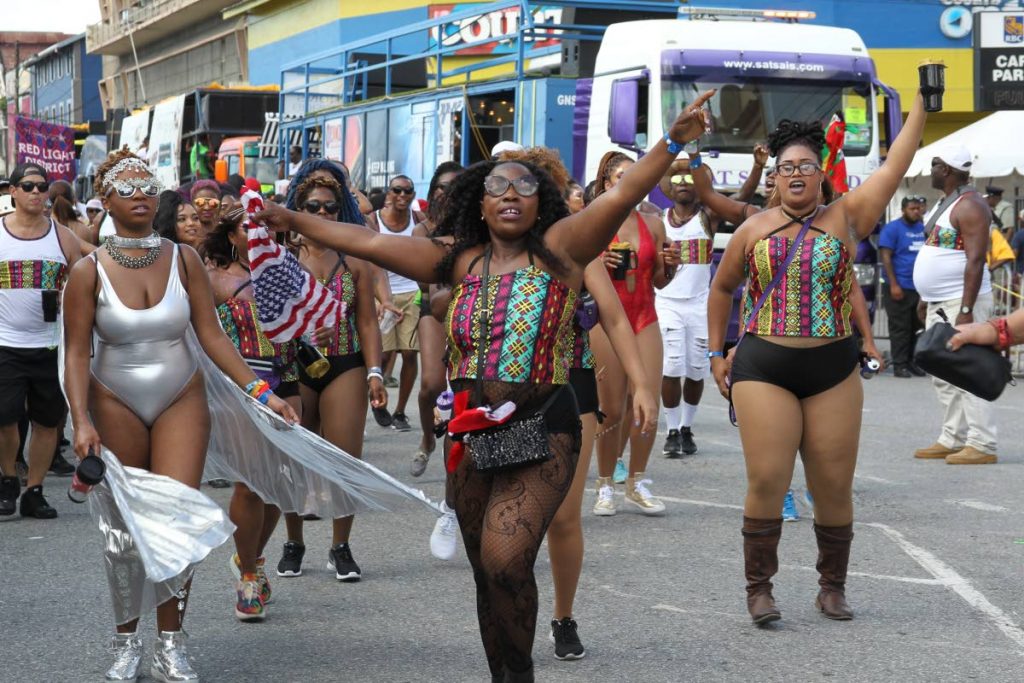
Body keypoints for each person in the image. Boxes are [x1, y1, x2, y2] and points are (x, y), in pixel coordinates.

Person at [252, 91, 712, 681]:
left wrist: (673, 142)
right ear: (480, 204)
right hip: (469, 434)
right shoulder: (457, 260)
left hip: (544, 425)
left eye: (524, 186)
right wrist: (292, 220)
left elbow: (623, 192)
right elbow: (366, 242)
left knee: (505, 558)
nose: (512, 195)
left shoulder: (564, 252)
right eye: (498, 187)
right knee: (488, 573)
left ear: (542, 201)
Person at [62, 149, 297, 680]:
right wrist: (81, 420)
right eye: (127, 187)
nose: (141, 193)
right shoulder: (86, 271)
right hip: (113, 400)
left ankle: (171, 643)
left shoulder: (184, 259)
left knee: (177, 521)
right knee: (124, 529)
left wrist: (261, 393)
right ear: (105, 201)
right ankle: (127, 643)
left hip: (180, 399)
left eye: (148, 185)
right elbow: (77, 352)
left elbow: (211, 336)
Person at [708, 89, 927, 626]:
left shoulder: (848, 217)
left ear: (821, 173)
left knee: (833, 485)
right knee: (768, 478)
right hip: (764, 367)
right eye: (787, 167)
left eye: (808, 165)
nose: (798, 174)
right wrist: (717, 352)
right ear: (773, 178)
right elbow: (722, 290)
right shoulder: (753, 228)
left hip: (832, 369)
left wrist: (923, 102)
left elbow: (897, 163)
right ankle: (759, 589)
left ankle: (833, 587)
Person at [277, 175, 388, 582]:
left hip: (345, 362)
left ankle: (340, 547)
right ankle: (294, 542)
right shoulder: (281, 257)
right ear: (297, 209)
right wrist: (301, 330)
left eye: (330, 207)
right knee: (292, 457)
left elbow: (367, 323)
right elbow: (267, 319)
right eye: (313, 207)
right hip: (294, 364)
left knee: (345, 458)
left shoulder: (354, 257)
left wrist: (375, 371)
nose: (322, 213)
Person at [203, 208, 305, 621]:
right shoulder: (214, 280)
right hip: (240, 388)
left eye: (264, 225)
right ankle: (247, 574)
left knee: (280, 484)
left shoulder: (286, 268)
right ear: (230, 235)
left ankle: (254, 557)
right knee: (249, 483)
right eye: (248, 227)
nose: (257, 233)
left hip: (289, 380)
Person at [590, 151, 681, 517]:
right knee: (611, 410)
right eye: (621, 177)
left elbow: (659, 279)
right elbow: (573, 267)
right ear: (607, 184)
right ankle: (605, 483)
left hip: (644, 317)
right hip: (605, 322)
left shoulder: (653, 223)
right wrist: (598, 262)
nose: (630, 182)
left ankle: (638, 482)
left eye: (636, 176)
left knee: (648, 404)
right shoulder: (593, 222)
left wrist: (671, 266)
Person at [0, 163, 82, 518]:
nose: (36, 192)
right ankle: (7, 480)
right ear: (13, 192)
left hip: (51, 344)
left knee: (48, 423)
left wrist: (70, 295)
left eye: (42, 186)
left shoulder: (62, 236)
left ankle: (34, 490)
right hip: (5, 343)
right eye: (28, 186)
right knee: (5, 418)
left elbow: (85, 276)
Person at [912, 147, 998, 465]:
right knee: (942, 371)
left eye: (934, 165)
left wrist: (966, 309)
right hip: (940, 302)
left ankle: (983, 443)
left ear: (946, 169)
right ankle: (953, 438)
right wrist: (926, 297)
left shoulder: (972, 205)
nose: (931, 170)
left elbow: (976, 259)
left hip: (960, 302)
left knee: (968, 370)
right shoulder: (947, 202)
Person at [653, 159, 721, 457]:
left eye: (690, 180)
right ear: (669, 187)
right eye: (678, 179)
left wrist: (757, 168)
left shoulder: (708, 217)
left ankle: (686, 428)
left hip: (700, 304)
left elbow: (741, 198)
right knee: (672, 365)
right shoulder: (657, 219)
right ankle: (670, 431)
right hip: (666, 302)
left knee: (696, 370)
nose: (683, 183)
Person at [410, 162, 464, 477]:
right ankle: (429, 437)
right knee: (431, 383)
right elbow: (422, 281)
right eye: (441, 187)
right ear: (433, 192)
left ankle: (459, 450)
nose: (446, 193)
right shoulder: (423, 230)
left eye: (454, 187)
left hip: (471, 309)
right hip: (433, 308)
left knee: (462, 385)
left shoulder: (476, 224)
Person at [367, 175, 427, 432]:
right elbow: (369, 259)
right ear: (388, 193)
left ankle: (400, 412)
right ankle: (377, 400)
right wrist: (381, 299)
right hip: (382, 296)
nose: (402, 195)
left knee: (410, 353)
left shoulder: (418, 220)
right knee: (380, 354)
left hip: (412, 293)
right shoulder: (374, 220)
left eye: (408, 191)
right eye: (397, 190)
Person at [880, 196, 928, 378]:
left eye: (918, 208)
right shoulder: (892, 229)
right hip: (899, 285)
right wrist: (893, 284)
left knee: (917, 327)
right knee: (900, 328)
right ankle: (899, 364)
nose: (916, 212)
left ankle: (911, 361)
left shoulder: (923, 228)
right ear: (903, 209)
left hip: (919, 287)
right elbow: (886, 257)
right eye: (912, 208)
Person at [189, 180, 221, 248]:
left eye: (213, 203)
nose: (207, 208)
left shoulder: (224, 231)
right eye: (200, 202)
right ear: (192, 204)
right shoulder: (187, 232)